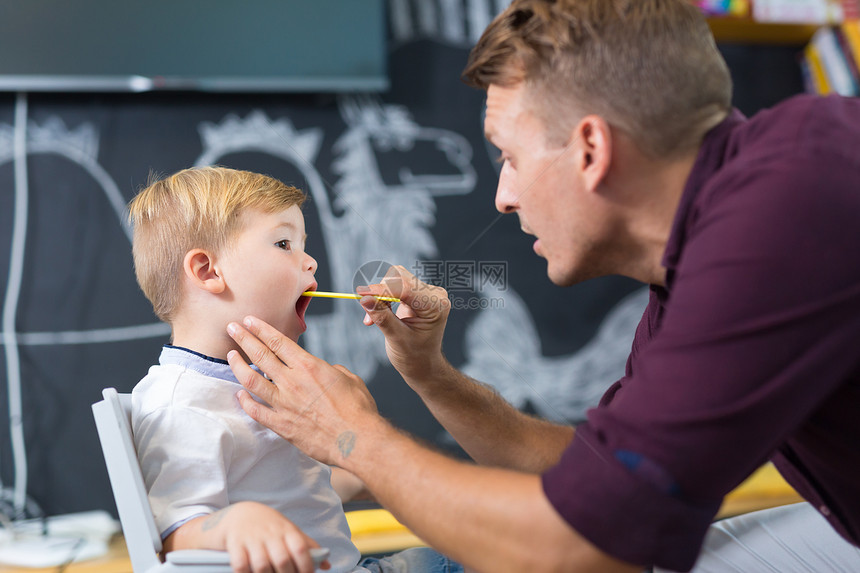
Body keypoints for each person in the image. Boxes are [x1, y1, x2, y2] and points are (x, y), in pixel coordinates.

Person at [222, 1, 860, 572]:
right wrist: (430, 374)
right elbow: (594, 475)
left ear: (590, 149)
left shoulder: (784, 211)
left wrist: (350, 437)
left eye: (509, 156)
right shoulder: (703, 247)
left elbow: (582, 546)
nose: (503, 198)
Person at [127, 167, 463, 573]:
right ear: (208, 271)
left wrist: (362, 471)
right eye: (284, 243)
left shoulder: (253, 384)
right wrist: (232, 524)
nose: (310, 261)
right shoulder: (180, 403)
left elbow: (295, 490)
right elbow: (175, 531)